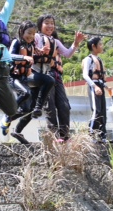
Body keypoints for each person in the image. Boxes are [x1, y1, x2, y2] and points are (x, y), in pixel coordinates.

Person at [34, 14, 86, 142]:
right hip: (44, 74)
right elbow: (29, 48)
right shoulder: (36, 37)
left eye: (52, 23)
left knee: (64, 106)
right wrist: (39, 49)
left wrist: (76, 43)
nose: (50, 26)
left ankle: (64, 134)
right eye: (47, 23)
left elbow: (68, 54)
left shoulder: (55, 41)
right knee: (49, 105)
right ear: (40, 25)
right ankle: (54, 135)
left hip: (56, 76)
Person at [1, 21, 55, 145]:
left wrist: (39, 52)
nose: (31, 36)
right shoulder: (17, 42)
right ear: (22, 31)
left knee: (48, 81)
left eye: (33, 34)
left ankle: (37, 107)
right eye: (28, 33)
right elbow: (9, 56)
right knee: (26, 93)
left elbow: (32, 57)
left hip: (26, 78)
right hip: (13, 77)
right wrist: (23, 58)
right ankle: (7, 115)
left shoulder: (30, 46)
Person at [82, 37, 108, 142]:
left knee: (103, 112)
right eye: (100, 44)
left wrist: (106, 86)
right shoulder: (89, 59)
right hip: (94, 86)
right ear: (93, 46)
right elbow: (85, 75)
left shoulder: (100, 59)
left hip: (100, 85)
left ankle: (102, 136)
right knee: (96, 111)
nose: (102, 46)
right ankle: (91, 134)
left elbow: (101, 77)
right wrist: (94, 86)